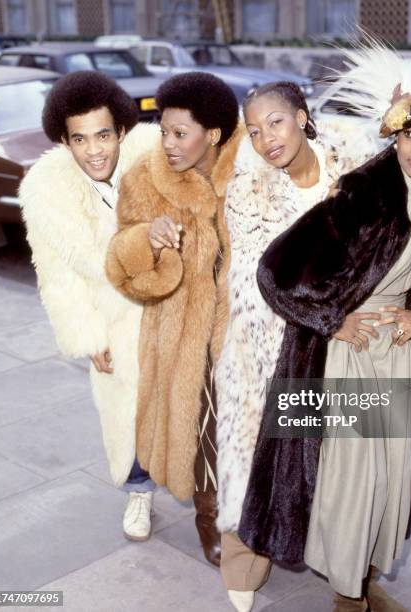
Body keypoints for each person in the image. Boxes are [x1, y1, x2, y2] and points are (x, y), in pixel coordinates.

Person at [237, 44, 411, 610]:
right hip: (349, 355)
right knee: (351, 478)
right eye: (410, 134)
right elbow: (276, 271)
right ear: (396, 136)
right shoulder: (366, 190)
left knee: (391, 477)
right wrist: (331, 319)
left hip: (407, 352)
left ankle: (363, 577)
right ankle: (347, 594)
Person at [215, 81, 376, 611]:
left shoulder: (357, 173)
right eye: (255, 131)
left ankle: (347, 566)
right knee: (252, 453)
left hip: (346, 342)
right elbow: (264, 282)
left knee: (341, 461)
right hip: (268, 344)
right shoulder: (248, 193)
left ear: (303, 118)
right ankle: (244, 563)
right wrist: (326, 317)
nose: (266, 139)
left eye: (276, 123)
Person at [105, 72, 243, 566]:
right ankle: (208, 514)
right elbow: (122, 267)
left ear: (216, 134)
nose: (167, 143)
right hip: (182, 332)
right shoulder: (144, 179)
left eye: (179, 133)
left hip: (247, 326)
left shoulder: (254, 169)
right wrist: (147, 239)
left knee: (247, 425)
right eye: (163, 131)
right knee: (201, 423)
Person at [20, 71, 163, 542]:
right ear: (65, 140)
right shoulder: (46, 191)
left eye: (103, 135)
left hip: (173, 306)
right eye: (79, 139)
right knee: (126, 410)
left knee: (194, 407)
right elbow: (55, 274)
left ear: (122, 129)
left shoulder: (156, 155)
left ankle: (212, 494)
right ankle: (139, 491)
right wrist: (87, 337)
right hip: (113, 317)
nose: (94, 150)